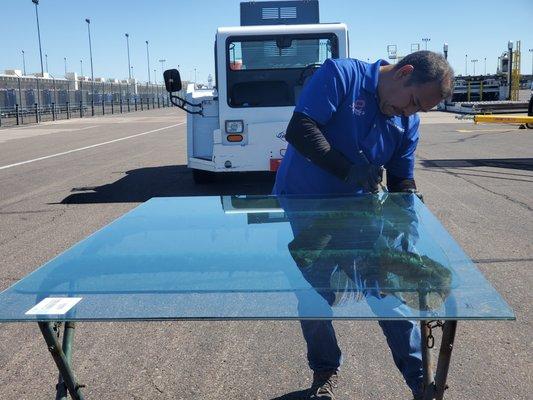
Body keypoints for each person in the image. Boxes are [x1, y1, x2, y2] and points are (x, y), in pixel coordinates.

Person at [272, 51, 454, 399]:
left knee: (385, 287)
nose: (409, 113)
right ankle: (324, 371)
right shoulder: (342, 75)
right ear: (404, 73)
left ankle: (420, 380)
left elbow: (402, 180)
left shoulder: (406, 122)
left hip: (359, 211)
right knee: (313, 295)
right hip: (305, 204)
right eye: (412, 102)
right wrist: (348, 170)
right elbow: (301, 128)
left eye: (419, 110)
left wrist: (407, 222)